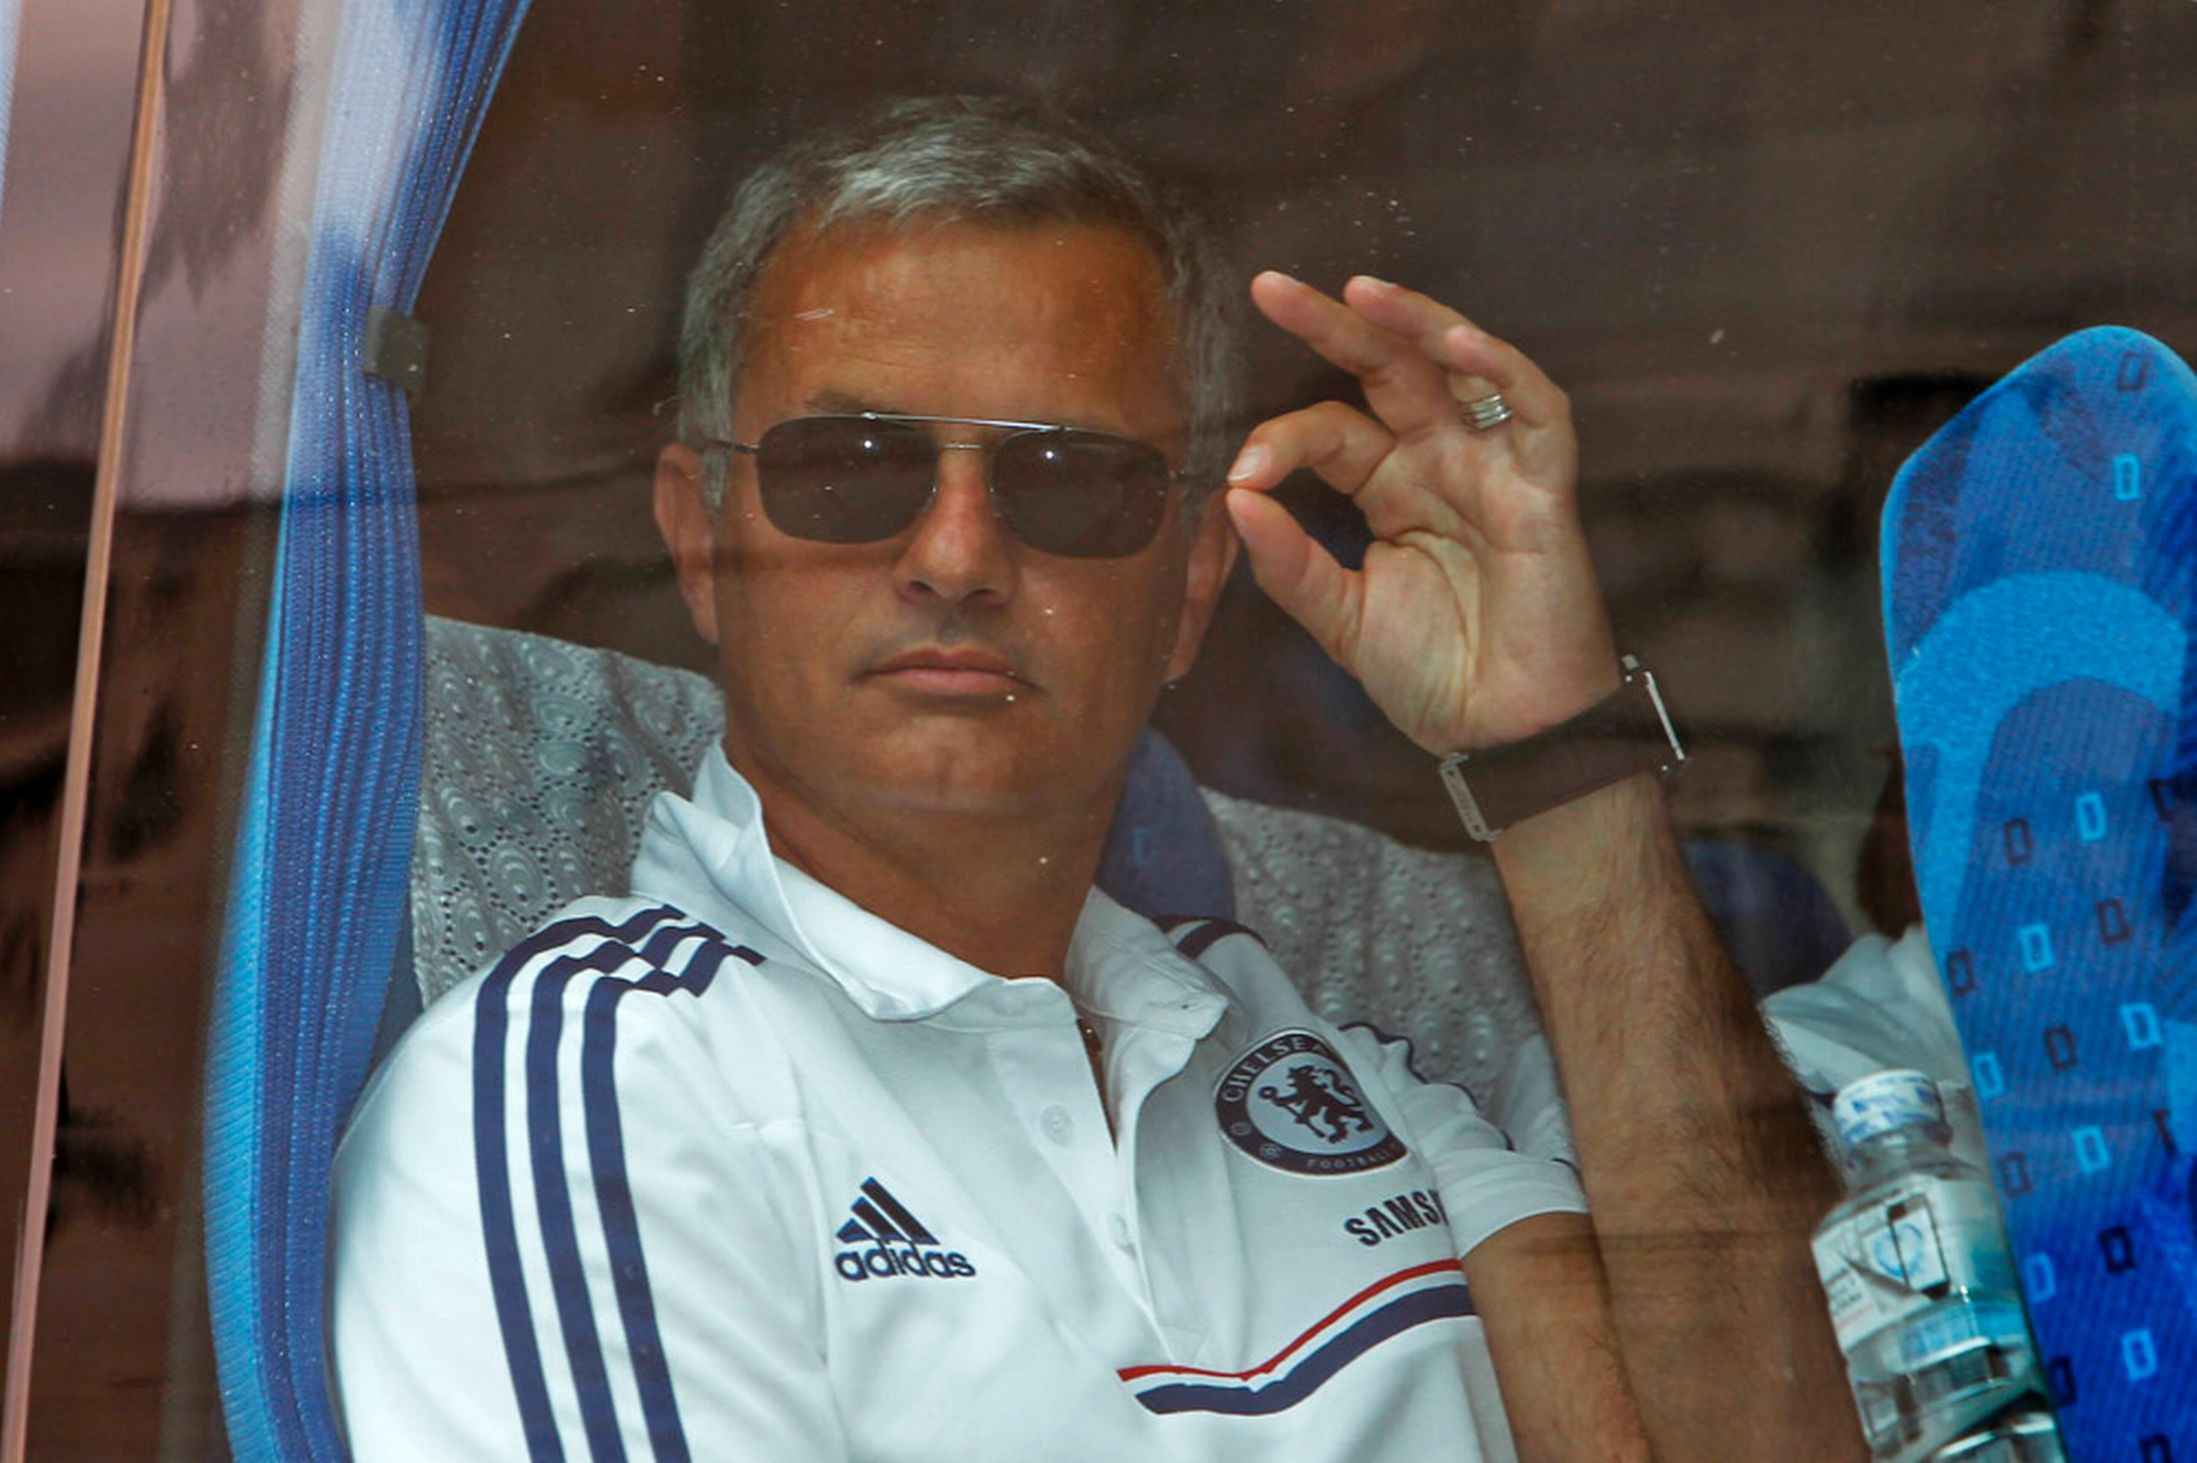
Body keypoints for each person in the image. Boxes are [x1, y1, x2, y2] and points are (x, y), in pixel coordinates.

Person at [331, 97, 1861, 1460]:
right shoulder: (603, 1093)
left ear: (1194, 577)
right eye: (850, 465)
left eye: (1068, 480)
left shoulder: (1315, 1061)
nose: (953, 556)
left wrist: (1554, 758)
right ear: (699, 536)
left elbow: (1769, 1437)